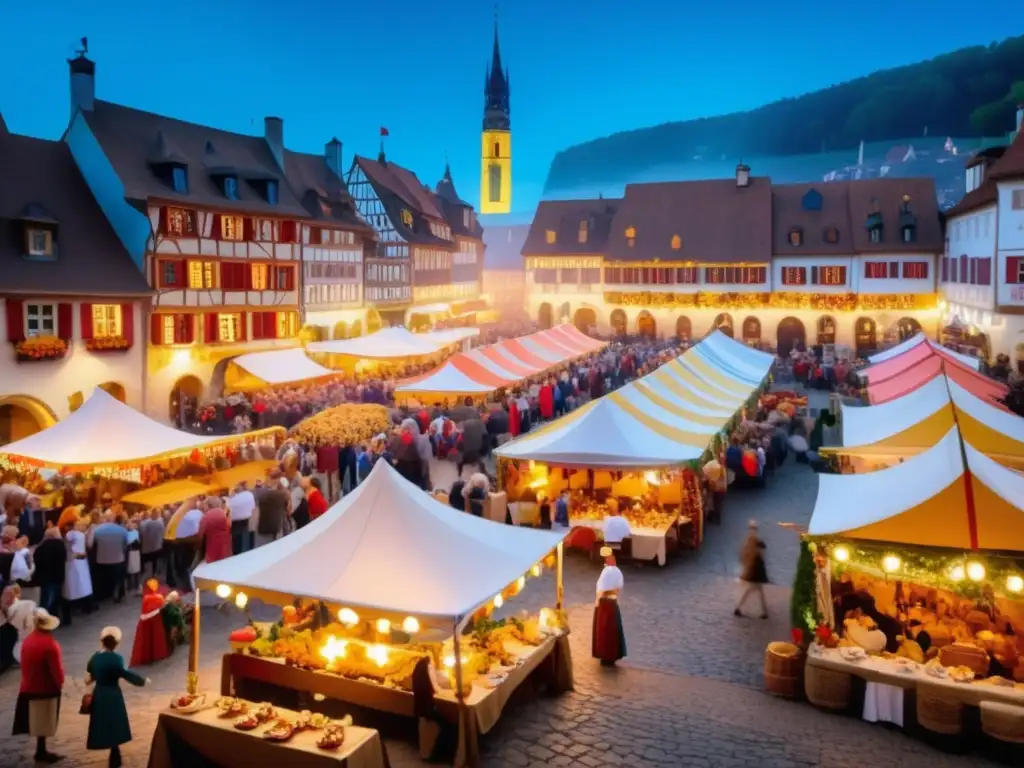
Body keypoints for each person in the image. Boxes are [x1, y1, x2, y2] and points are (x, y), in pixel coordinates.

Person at [86, 626, 149, 768]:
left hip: (100, 693)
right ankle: (115, 753)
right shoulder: (117, 659)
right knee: (115, 723)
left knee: (103, 722)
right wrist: (142, 681)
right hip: (113, 693)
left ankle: (111, 749)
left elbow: (89, 674)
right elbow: (126, 674)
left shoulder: (95, 658)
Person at [12, 608, 64, 763]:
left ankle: (41, 749)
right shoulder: (50, 645)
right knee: (44, 721)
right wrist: (60, 683)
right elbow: (57, 670)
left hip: (29, 686)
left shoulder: (28, 641)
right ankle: (41, 751)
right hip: (45, 687)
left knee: (37, 720)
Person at [592, 547, 626, 667]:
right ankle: (612, 655)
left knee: (604, 631)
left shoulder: (607, 571)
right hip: (612, 602)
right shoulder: (617, 571)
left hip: (603, 603)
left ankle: (605, 655)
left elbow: (601, 588)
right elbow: (619, 586)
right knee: (612, 630)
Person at [129, 579, 171, 666]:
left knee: (147, 639)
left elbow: (143, 610)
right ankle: (158, 654)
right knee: (156, 637)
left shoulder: (146, 598)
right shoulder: (159, 597)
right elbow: (163, 607)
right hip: (156, 621)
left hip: (145, 621)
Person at [735, 520, 769, 619]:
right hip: (756, 570)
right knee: (754, 590)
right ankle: (739, 608)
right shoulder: (755, 539)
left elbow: (745, 553)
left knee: (754, 590)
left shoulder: (749, 539)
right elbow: (761, 552)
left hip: (753, 569)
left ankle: (763, 612)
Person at [63, 517, 94, 622]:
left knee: (74, 584)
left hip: (73, 562)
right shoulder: (81, 534)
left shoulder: (69, 535)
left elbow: (68, 549)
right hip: (81, 560)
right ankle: (86, 606)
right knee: (83, 583)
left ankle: (75, 606)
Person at [92, 512, 128, 603]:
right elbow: (125, 544)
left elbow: (92, 544)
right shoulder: (122, 530)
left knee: (104, 579)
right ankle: (117, 594)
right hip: (118, 558)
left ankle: (104, 595)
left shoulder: (97, 530)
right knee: (118, 578)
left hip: (102, 559)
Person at [32, 528, 66, 619]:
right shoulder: (61, 544)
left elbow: (37, 561)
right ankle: (54, 616)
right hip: (58, 576)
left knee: (45, 600)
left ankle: (42, 619)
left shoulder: (42, 546)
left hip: (46, 577)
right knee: (55, 598)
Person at [255, 474, 290, 548]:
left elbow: (258, 497)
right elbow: (288, 508)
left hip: (264, 525)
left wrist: (259, 487)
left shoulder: (264, 494)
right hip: (276, 524)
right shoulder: (283, 495)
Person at [198, 498, 232, 565]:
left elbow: (201, 532)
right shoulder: (224, 512)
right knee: (225, 561)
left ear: (208, 505)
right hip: (225, 540)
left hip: (213, 543)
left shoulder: (206, 516)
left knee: (214, 563)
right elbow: (229, 525)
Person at [226, 482, 255, 554]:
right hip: (247, 519)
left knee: (237, 541)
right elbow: (253, 507)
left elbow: (228, 509)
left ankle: (238, 552)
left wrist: (231, 497)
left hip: (235, 522)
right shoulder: (249, 495)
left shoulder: (232, 499)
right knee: (245, 535)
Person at [138, 509, 165, 580]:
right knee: (155, 561)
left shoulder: (146, 524)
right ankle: (154, 574)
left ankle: (143, 574)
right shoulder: (161, 523)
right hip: (157, 546)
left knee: (144, 561)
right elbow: (163, 534)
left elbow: (142, 534)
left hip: (147, 546)